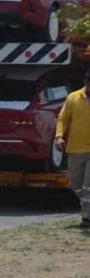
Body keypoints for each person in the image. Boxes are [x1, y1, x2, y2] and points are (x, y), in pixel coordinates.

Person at [56, 69, 90, 228]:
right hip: (76, 148)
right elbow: (63, 118)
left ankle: (86, 218)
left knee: (88, 186)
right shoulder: (73, 97)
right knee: (76, 185)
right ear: (86, 83)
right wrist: (59, 136)